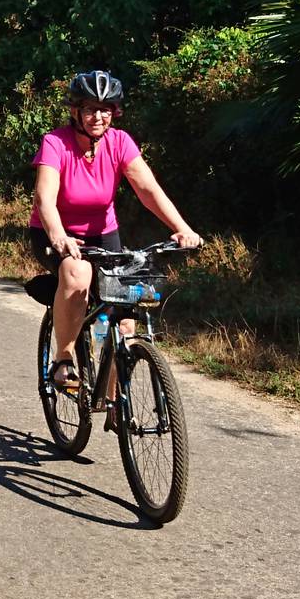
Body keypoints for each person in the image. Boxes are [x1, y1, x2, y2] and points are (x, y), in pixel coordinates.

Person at [30, 70, 202, 396]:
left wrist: (182, 229)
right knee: (77, 272)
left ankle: (112, 399)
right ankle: (64, 359)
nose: (98, 116)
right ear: (75, 111)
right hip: (55, 233)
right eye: (91, 109)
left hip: (104, 234)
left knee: (124, 317)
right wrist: (59, 237)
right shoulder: (56, 143)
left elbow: (148, 190)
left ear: (115, 112)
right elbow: (44, 199)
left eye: (105, 109)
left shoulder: (120, 142)